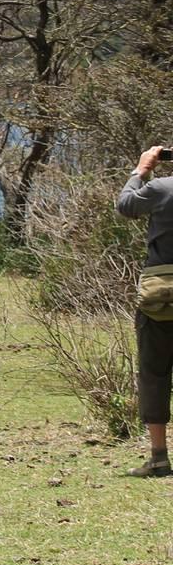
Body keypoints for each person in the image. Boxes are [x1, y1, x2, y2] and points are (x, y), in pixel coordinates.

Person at [117, 145, 173, 479]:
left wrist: (141, 170)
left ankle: (158, 457)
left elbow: (124, 206)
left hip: (159, 299)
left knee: (154, 374)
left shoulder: (161, 188)